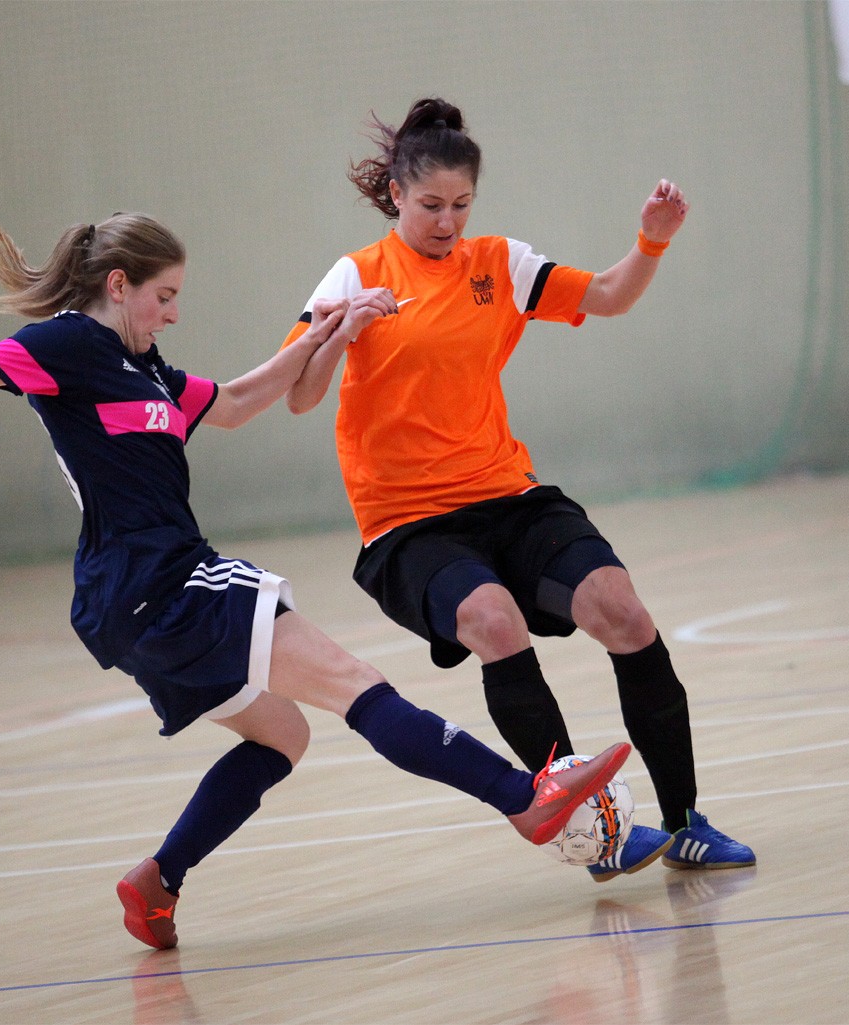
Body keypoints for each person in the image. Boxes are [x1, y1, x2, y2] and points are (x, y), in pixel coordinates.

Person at [0, 204, 634, 950]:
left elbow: (243, 399)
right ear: (120, 285)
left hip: (131, 603)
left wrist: (330, 329)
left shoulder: (147, 370)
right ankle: (523, 800)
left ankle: (158, 880)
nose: (174, 313)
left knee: (284, 734)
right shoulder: (67, 347)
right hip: (162, 581)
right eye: (165, 296)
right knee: (354, 683)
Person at [283, 97, 755, 883]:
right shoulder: (355, 274)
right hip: (408, 524)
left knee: (622, 609)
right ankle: (591, 828)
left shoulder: (500, 263)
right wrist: (344, 331)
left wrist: (652, 241)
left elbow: (609, 294)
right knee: (493, 620)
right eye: (430, 205)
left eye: (461, 204)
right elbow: (301, 395)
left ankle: (685, 823)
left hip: (507, 495)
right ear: (396, 193)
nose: (447, 221)